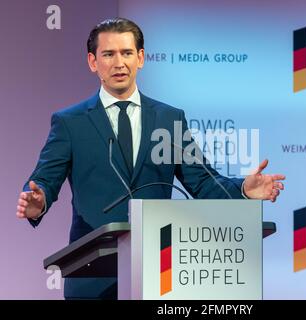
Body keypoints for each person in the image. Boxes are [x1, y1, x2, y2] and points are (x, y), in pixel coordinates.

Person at [16, 18, 285, 300]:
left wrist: (244, 189)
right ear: (93, 62)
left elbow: (203, 182)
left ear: (141, 58)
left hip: (159, 273)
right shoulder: (70, 122)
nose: (119, 63)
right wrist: (39, 201)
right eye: (109, 54)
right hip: (91, 275)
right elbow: (45, 180)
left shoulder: (168, 119)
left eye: (127, 53)